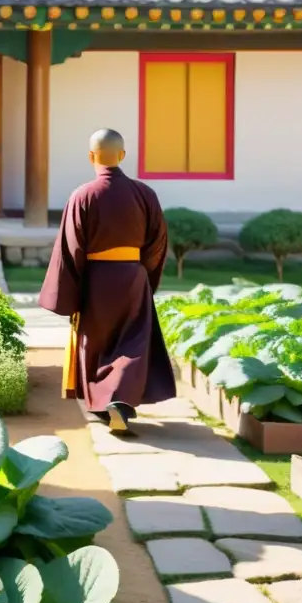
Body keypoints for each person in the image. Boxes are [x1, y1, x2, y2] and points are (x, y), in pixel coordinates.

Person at [39, 128, 177, 433]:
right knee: (134, 343)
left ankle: (104, 404)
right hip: (132, 276)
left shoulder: (82, 195)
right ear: (122, 156)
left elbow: (70, 248)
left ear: (91, 156)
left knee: (96, 344)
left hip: (97, 279)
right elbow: (157, 244)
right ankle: (120, 403)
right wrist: (143, 275)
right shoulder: (145, 194)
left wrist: (72, 294)